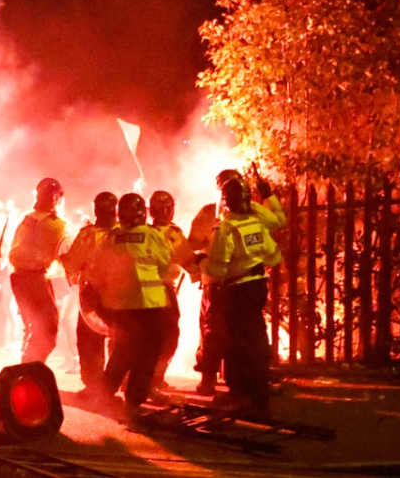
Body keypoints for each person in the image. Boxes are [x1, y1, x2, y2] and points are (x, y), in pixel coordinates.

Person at [188, 168, 284, 395]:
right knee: (251, 332)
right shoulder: (253, 211)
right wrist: (269, 196)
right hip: (247, 282)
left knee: (215, 332)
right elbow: (277, 222)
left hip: (217, 282)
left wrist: (205, 255)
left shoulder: (211, 215)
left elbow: (193, 244)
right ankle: (256, 382)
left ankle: (213, 381)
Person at [88, 193, 170, 419]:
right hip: (148, 305)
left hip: (121, 306)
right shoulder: (150, 235)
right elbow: (165, 266)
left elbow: (97, 268)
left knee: (122, 352)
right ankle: (134, 401)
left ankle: (103, 396)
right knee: (147, 355)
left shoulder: (112, 238)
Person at [60, 192, 117, 398]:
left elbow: (73, 262)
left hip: (95, 292)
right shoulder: (122, 231)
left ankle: (96, 384)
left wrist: (65, 259)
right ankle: (112, 383)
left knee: (91, 338)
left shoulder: (88, 234)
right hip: (116, 293)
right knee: (115, 337)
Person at [8, 178, 70, 363]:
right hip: (35, 279)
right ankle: (30, 367)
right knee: (48, 327)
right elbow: (66, 254)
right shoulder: (56, 224)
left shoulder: (27, 218)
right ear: (55, 198)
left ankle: (27, 365)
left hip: (19, 278)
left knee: (33, 325)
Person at [148, 190, 199, 391]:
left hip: (138, 294)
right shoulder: (172, 233)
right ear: (169, 210)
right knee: (169, 335)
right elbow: (188, 261)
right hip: (163, 293)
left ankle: (139, 377)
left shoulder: (143, 232)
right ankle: (155, 378)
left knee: (145, 337)